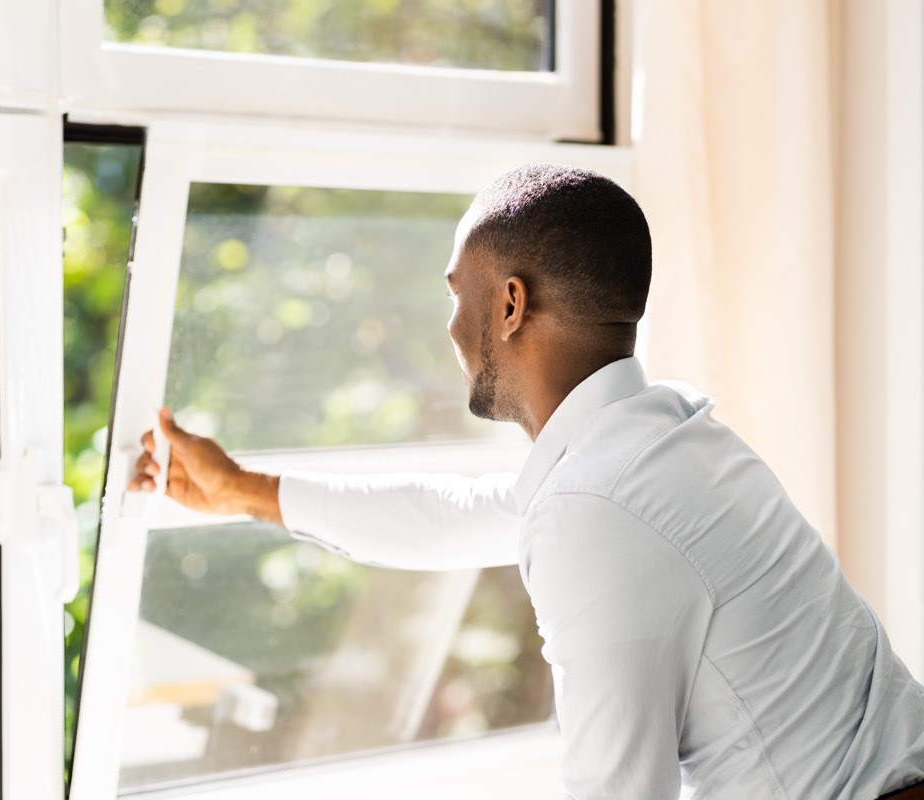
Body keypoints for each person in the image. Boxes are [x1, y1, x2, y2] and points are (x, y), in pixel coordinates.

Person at [128, 165, 924, 799]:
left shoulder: (599, 508)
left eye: (456, 293)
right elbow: (453, 516)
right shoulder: (663, 435)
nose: (448, 328)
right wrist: (241, 490)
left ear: (510, 303)